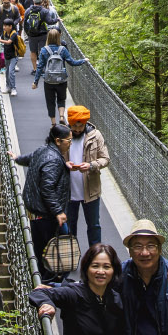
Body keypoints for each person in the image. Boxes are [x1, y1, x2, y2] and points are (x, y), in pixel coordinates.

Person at [14, 125, 71, 276]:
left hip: (35, 212)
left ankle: (45, 280)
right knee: (54, 249)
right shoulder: (53, 159)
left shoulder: (43, 150)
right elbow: (47, 187)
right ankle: (51, 283)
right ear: (58, 141)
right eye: (68, 140)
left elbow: (29, 158)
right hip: (46, 215)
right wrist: (58, 211)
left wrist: (16, 158)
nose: (70, 143)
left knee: (42, 249)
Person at [64, 106, 110, 250]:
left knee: (94, 225)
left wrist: (91, 165)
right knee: (69, 225)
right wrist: (64, 163)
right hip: (68, 190)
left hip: (91, 189)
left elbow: (105, 159)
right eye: (74, 126)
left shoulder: (95, 136)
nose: (77, 129)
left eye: (81, 125)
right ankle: (72, 255)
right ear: (69, 123)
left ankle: (95, 257)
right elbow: (51, 155)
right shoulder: (61, 135)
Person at [32, 27, 86, 122]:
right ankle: (61, 116)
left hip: (48, 80)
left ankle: (53, 123)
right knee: (61, 99)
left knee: (50, 101)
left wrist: (35, 82)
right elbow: (72, 62)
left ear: (48, 37)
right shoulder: (63, 49)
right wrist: (83, 60)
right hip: (61, 79)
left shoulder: (44, 50)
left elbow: (40, 67)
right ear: (58, 37)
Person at [0, 17, 21, 96]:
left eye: (6, 26)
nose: (4, 27)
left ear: (10, 26)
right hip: (7, 55)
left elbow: (8, 42)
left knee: (11, 72)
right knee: (7, 72)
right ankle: (8, 86)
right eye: (4, 25)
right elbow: (1, 39)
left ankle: (13, 88)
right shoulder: (5, 33)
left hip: (14, 55)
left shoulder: (14, 34)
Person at [23, 0, 49, 70]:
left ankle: (35, 68)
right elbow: (49, 21)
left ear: (33, 1)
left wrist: (28, 33)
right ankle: (41, 68)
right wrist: (57, 19)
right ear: (41, 2)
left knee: (33, 51)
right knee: (42, 51)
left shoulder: (28, 10)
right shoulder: (44, 11)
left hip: (32, 34)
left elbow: (25, 23)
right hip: (42, 34)